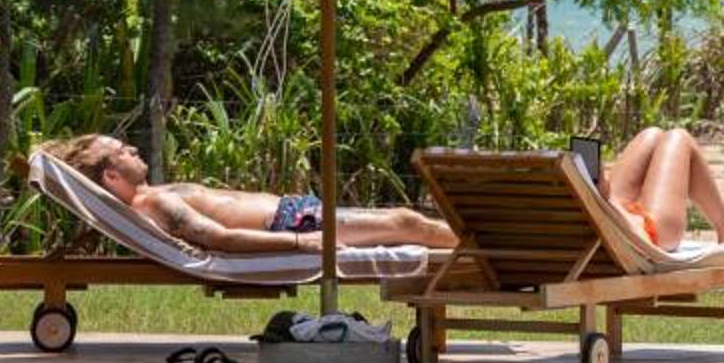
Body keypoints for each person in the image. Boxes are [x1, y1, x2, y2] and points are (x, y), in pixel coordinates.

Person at [38, 135, 456, 252]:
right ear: (112, 176)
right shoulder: (154, 203)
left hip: (294, 213)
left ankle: (475, 241)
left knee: (407, 221)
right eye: (122, 151)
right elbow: (218, 238)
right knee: (407, 222)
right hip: (292, 224)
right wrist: (301, 242)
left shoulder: (151, 194)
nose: (132, 148)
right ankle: (481, 244)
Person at [596, 125, 724, 250]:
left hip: (607, 217)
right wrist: (608, 196)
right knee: (679, 137)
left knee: (651, 135)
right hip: (641, 234)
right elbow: (604, 194)